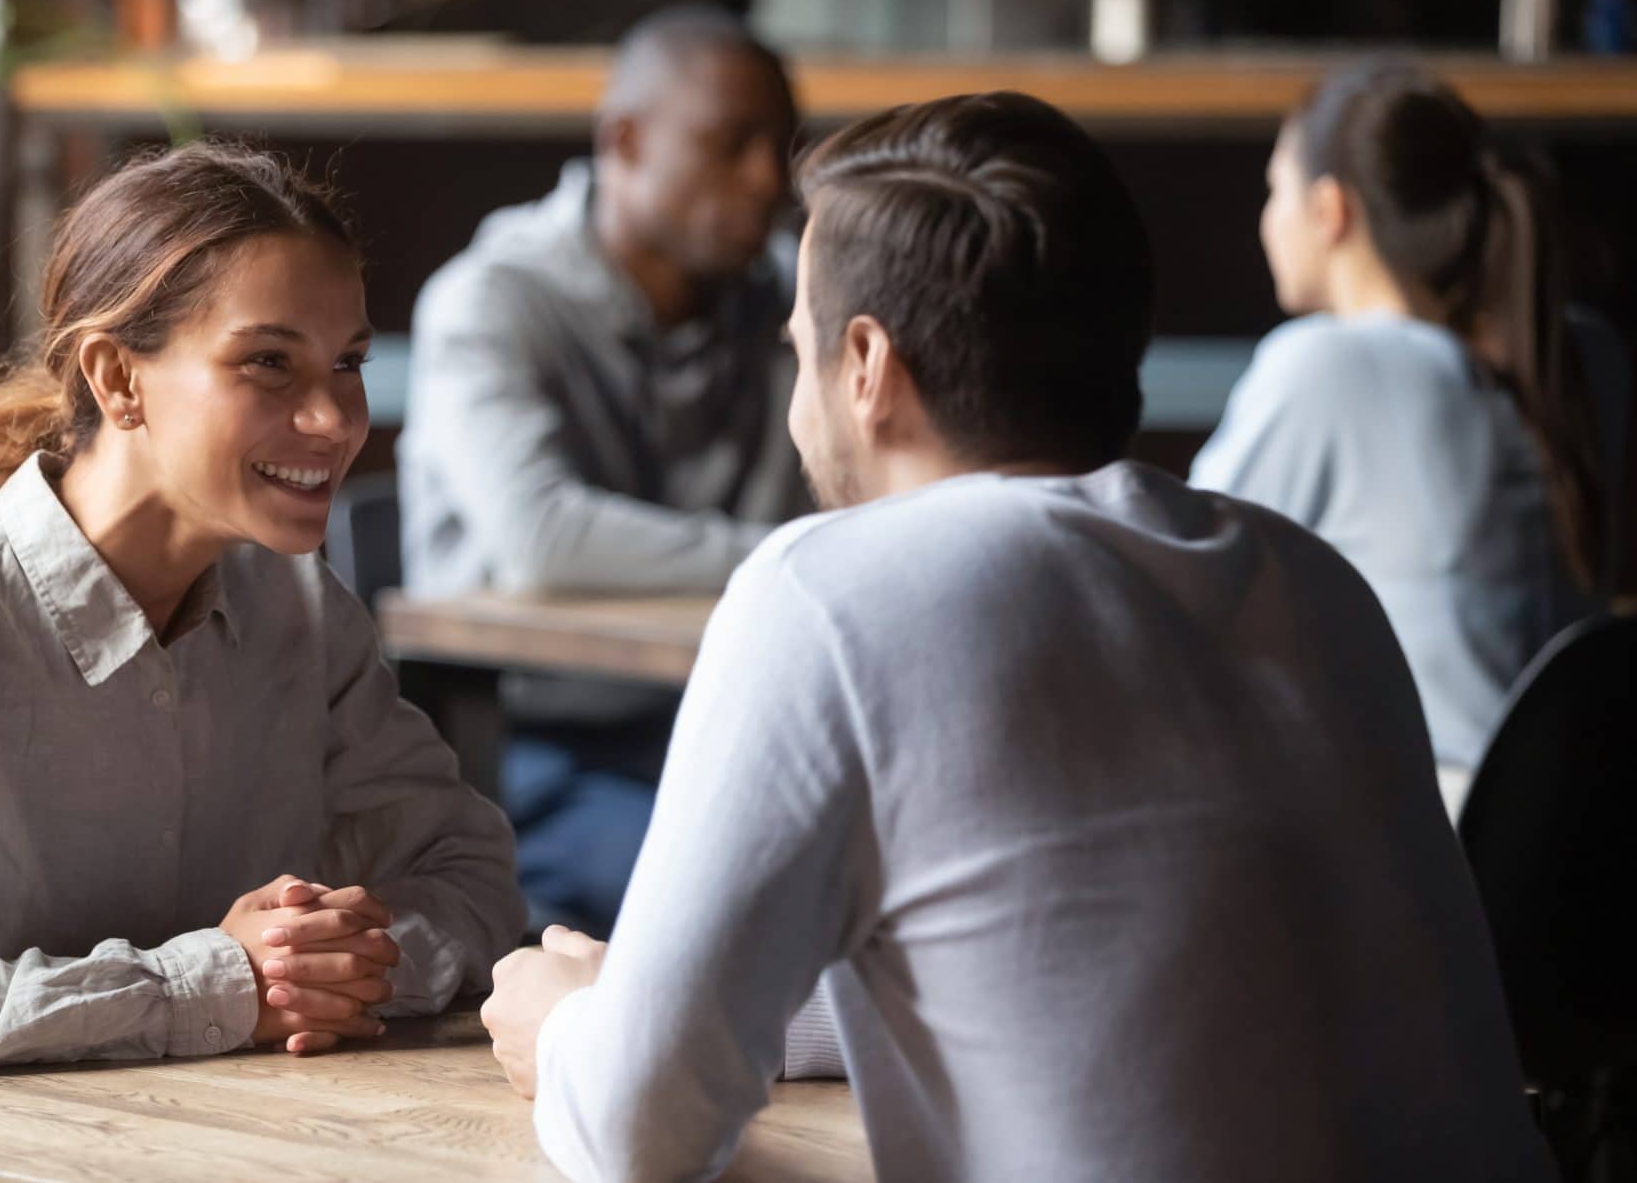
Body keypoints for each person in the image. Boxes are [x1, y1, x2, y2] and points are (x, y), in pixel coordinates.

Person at [480, 92, 1554, 1182]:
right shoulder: (1312, 581)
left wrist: (567, 1028)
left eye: (796, 344)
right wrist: (675, 1000)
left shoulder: (826, 594)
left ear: (864, 365)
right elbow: (1082, 960)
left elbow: (639, 1134)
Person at [0, 143, 523, 1075]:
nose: (337, 418)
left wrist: (332, 971)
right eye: (269, 362)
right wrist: (212, 987)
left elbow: (471, 878)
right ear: (116, 378)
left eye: (347, 362)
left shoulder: (298, 606)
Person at [397, 4, 809, 933]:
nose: (767, 181)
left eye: (781, 147)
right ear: (623, 141)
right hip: (536, 750)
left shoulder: (786, 299)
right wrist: (791, 549)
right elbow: (542, 539)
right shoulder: (491, 299)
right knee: (756, 911)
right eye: (731, 144)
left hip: (733, 727)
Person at [1191, 59, 1609, 799]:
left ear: (1329, 211)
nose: (1266, 218)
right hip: (1580, 841)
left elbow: (1168, 585)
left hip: (1437, 848)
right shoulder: (1584, 356)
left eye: (1273, 191)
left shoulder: (1331, 365)